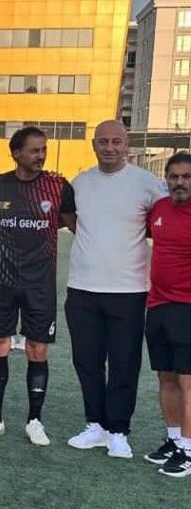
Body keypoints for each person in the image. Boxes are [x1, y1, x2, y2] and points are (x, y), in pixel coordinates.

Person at [65, 121, 165, 458]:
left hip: (129, 290)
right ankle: (95, 424)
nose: (110, 148)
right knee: (87, 361)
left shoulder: (147, 183)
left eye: (116, 142)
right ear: (94, 145)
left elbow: (167, 218)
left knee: (124, 362)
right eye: (103, 142)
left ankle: (119, 430)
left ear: (127, 145)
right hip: (82, 288)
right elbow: (73, 221)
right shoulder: (81, 182)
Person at [0, 126, 76, 445]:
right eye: (34, 150)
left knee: (37, 348)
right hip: (2, 281)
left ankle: (35, 421)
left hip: (40, 284)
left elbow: (73, 224)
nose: (41, 155)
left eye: (43, 149)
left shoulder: (58, 185)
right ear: (16, 153)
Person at [143, 152, 191, 477]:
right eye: (174, 177)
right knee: (167, 378)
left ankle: (188, 449)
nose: (180, 182)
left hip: (187, 308)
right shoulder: (159, 209)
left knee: (188, 381)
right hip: (158, 306)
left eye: (186, 177)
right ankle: (174, 441)